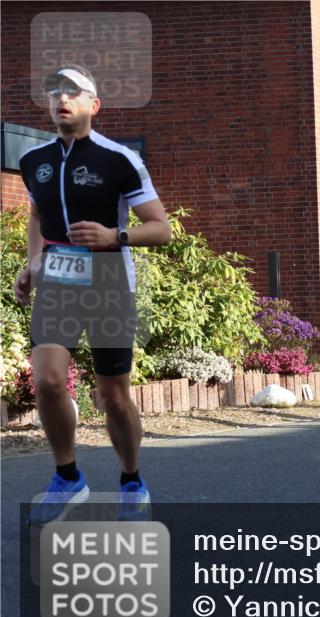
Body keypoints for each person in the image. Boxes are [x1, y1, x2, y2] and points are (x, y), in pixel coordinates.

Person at [14, 65, 170, 523]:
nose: (61, 99)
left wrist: (114, 237)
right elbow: (39, 217)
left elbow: (159, 228)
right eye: (54, 92)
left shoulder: (119, 159)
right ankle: (68, 478)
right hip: (59, 281)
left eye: (72, 92)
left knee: (112, 395)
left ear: (93, 105)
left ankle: (132, 480)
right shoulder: (33, 161)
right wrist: (34, 261)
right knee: (46, 378)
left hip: (109, 283)